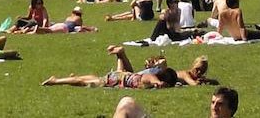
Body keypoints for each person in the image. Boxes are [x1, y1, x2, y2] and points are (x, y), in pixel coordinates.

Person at [41, 43, 179, 88]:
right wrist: (158, 83)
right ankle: (55, 81)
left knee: (90, 78)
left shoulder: (149, 76)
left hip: (120, 76)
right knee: (84, 82)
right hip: (116, 79)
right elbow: (151, 79)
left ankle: (120, 54)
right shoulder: (150, 78)